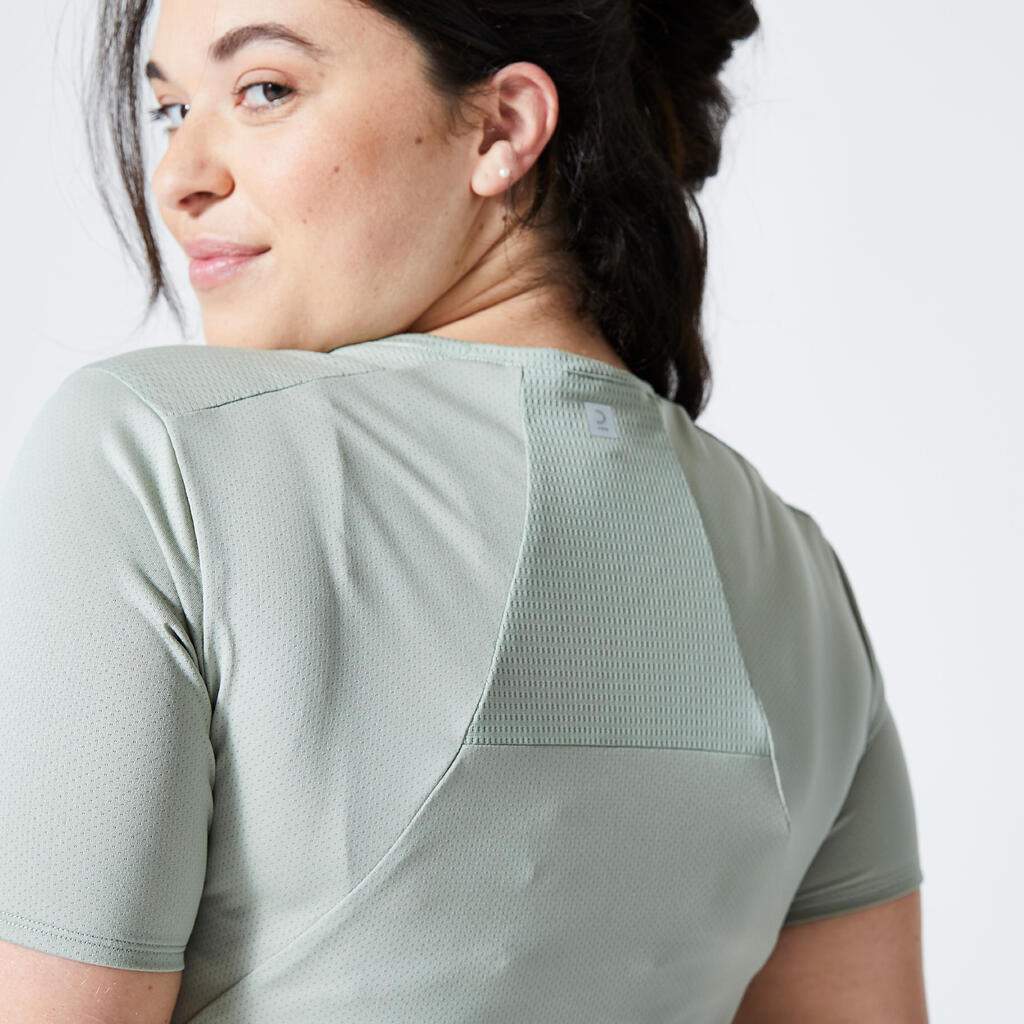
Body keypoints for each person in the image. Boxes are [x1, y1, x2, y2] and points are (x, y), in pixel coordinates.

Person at [0, 1, 928, 1021]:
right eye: (173, 110)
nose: (180, 178)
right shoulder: (800, 577)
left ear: (502, 126)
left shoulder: (155, 457)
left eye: (264, 90)